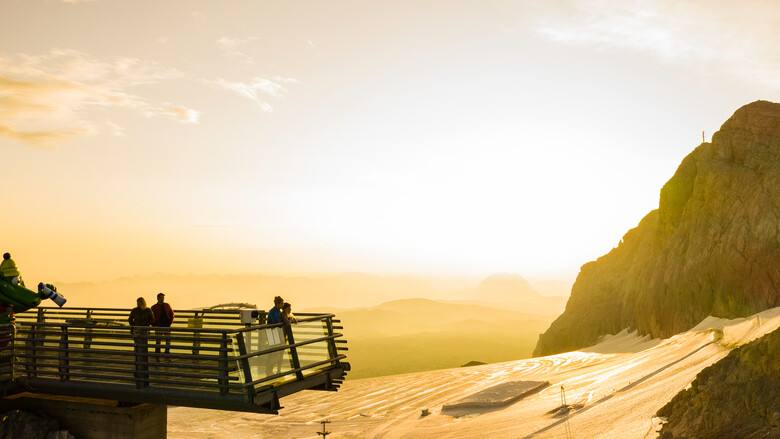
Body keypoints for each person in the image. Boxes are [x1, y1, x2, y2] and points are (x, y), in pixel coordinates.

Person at [151, 293, 174, 357]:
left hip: (166, 325)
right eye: (161, 298)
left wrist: (170, 322)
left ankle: (166, 352)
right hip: (159, 325)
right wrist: (154, 324)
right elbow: (151, 317)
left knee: (167, 340)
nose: (163, 299)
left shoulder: (167, 305)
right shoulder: (153, 307)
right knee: (158, 340)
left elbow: (171, 314)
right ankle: (158, 352)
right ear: (157, 298)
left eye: (163, 298)